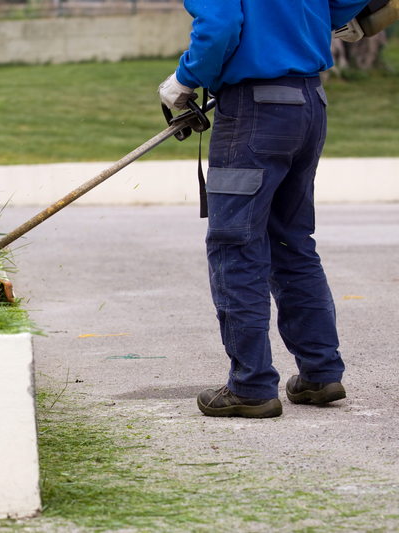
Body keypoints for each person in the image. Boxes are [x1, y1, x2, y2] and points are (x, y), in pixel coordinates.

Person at [158, 0, 372, 418]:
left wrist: (186, 77)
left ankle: (251, 386)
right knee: (291, 241)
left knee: (235, 246)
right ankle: (320, 374)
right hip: (309, 103)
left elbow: (220, 25)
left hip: (254, 111)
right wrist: (317, 21)